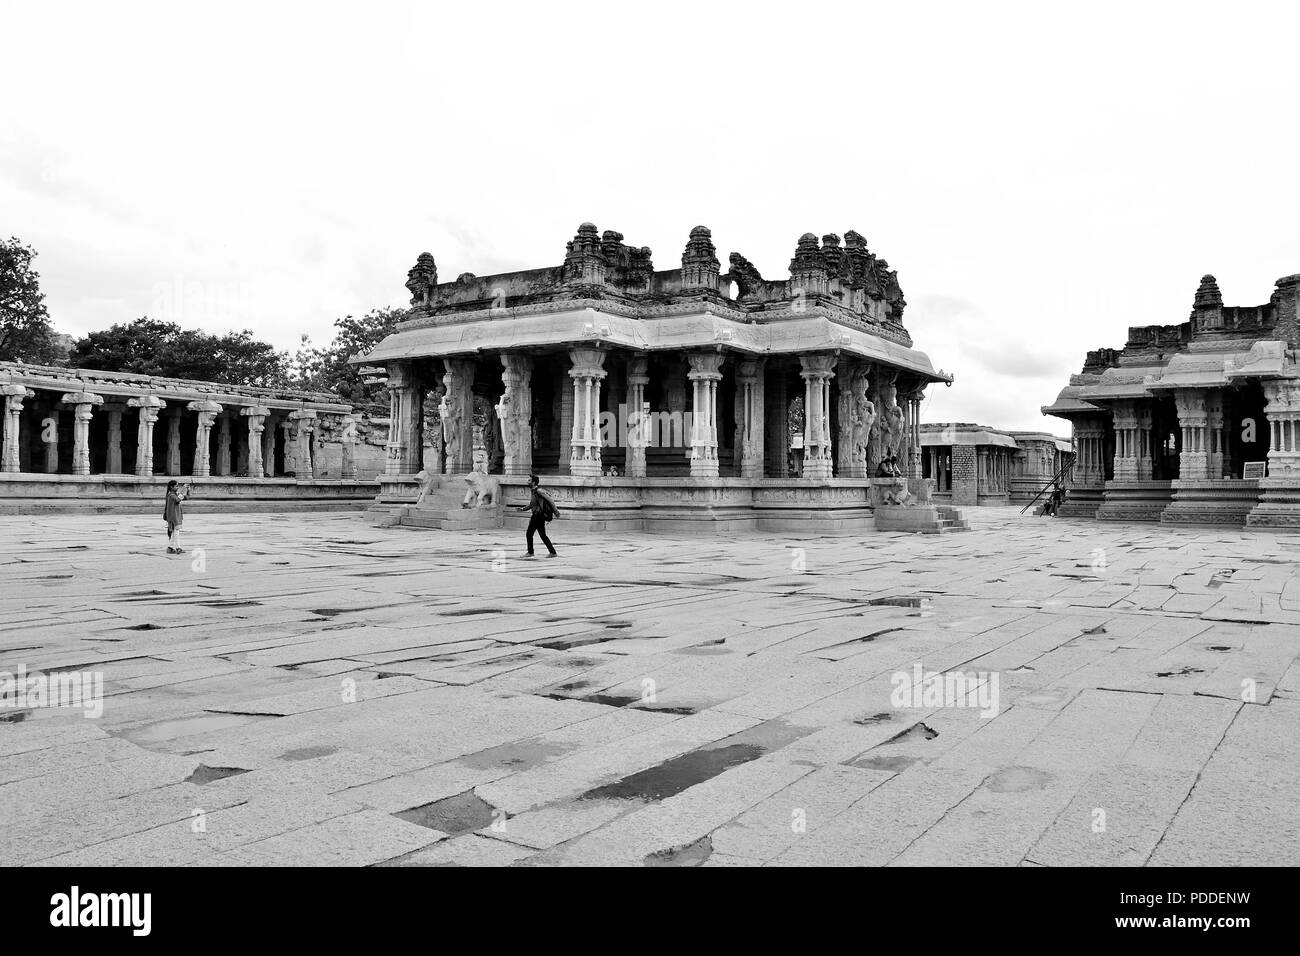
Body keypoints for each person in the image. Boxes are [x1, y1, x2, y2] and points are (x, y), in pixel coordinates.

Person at [513, 474, 558, 557]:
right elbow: (531, 504)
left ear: (533, 483)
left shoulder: (539, 491)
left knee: (529, 533)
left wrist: (555, 511)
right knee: (542, 535)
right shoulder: (533, 491)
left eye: (529, 480)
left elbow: (550, 500)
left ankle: (530, 552)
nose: (527, 482)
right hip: (537, 516)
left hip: (538, 516)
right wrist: (522, 509)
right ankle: (553, 552)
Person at [164, 480, 190, 554]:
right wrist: (184, 489)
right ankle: (178, 548)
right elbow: (178, 499)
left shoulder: (175, 494)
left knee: (174, 533)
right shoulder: (171, 495)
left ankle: (170, 548)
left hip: (176, 516)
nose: (178, 487)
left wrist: (187, 490)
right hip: (173, 517)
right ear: (171, 487)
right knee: (176, 533)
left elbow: (186, 497)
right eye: (176, 486)